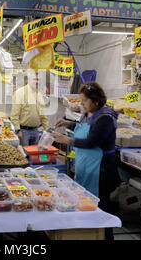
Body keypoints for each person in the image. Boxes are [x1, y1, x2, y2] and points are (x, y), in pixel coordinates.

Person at [52, 82, 120, 240]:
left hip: (101, 170)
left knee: (101, 208)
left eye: (84, 101)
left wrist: (66, 140)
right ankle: (89, 235)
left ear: (96, 101)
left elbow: (91, 142)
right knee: (86, 203)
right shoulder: (89, 113)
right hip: (87, 167)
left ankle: (105, 237)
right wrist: (68, 123)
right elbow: (84, 126)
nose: (81, 104)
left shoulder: (105, 117)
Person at [11, 70, 49, 146]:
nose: (37, 82)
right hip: (23, 131)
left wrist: (47, 129)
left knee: (34, 155)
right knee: (24, 155)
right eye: (35, 79)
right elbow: (14, 114)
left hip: (35, 131)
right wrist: (18, 130)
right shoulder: (20, 93)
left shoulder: (39, 94)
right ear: (28, 80)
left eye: (38, 80)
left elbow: (42, 115)